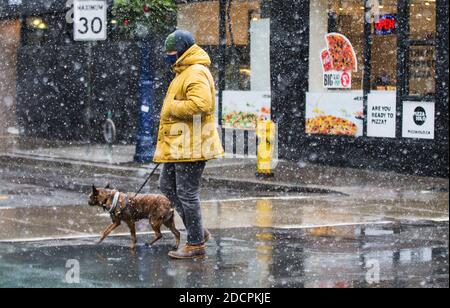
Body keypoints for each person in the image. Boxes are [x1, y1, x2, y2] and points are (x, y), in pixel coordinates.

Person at [154, 30, 224, 259]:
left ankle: (195, 243)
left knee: (186, 193)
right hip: (180, 144)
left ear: (183, 51)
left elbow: (202, 105)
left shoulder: (195, 72)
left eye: (171, 52)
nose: (168, 57)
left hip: (192, 145)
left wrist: (171, 107)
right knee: (167, 187)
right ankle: (198, 231)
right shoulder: (183, 71)